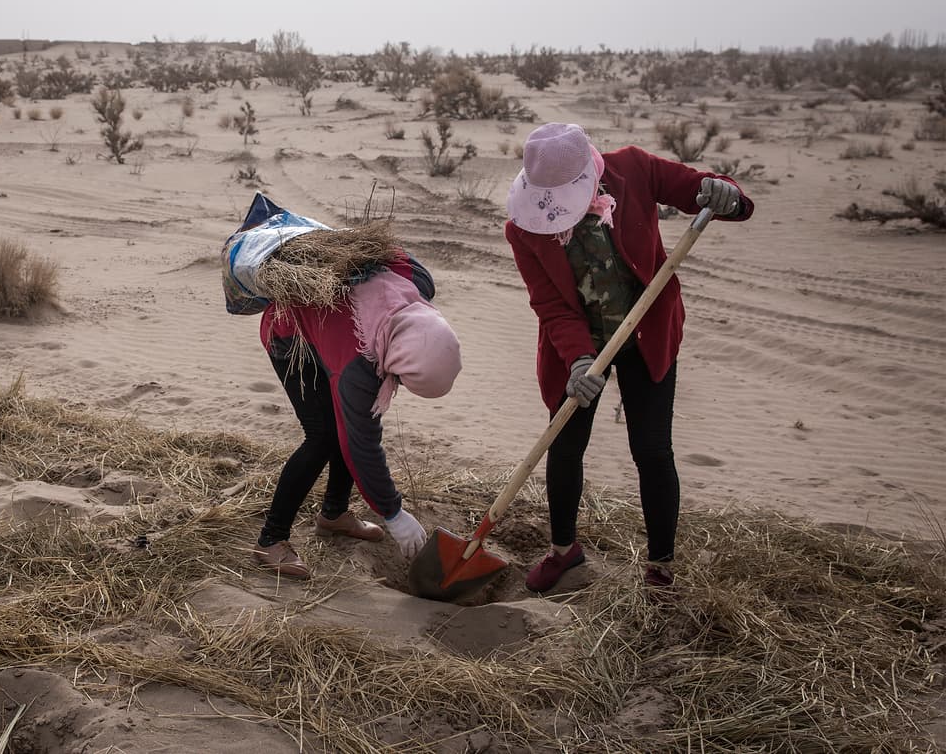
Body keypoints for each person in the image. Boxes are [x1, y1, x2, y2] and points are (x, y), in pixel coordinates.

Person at [503, 123, 753, 592]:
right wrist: (579, 360)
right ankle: (564, 552)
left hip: (647, 332)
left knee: (652, 450)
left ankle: (661, 568)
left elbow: (702, 189)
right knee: (565, 445)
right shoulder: (523, 230)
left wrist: (725, 195)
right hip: (576, 348)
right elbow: (551, 304)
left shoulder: (634, 169)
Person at [252, 251, 462, 579]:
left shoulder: (419, 287)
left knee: (346, 422)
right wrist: (393, 514)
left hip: (330, 331)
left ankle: (333, 515)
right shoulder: (358, 366)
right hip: (289, 333)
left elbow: (396, 257)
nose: (398, 384)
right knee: (324, 436)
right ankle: (271, 539)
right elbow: (361, 444)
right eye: (403, 378)